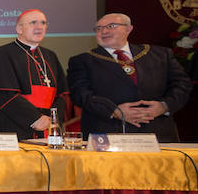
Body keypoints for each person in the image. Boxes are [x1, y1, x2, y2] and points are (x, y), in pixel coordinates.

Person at [67, 13, 192, 142]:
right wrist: (114, 111)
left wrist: (164, 106)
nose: (104, 31)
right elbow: (80, 94)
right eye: (98, 28)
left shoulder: (160, 55)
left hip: (158, 133)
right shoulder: (82, 60)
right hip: (108, 134)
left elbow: (182, 84)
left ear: (128, 29)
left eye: (111, 26)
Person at [0, 9, 68, 140]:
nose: (39, 27)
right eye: (33, 23)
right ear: (19, 29)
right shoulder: (3, 53)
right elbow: (5, 94)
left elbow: (60, 95)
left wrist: (52, 120)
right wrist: (35, 119)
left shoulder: (50, 55)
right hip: (14, 125)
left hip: (47, 126)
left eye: (43, 23)